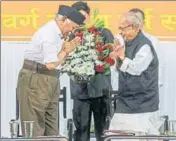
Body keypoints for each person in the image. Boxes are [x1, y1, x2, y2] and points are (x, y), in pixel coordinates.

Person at [16, 5, 85, 137]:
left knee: (51, 127)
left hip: (51, 79)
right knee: (35, 126)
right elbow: (51, 64)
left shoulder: (59, 34)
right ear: (64, 19)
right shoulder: (48, 33)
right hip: (36, 79)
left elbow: (57, 62)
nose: (71, 32)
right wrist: (65, 51)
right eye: (73, 27)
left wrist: (67, 52)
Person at [109, 12, 160, 140]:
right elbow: (118, 69)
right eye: (120, 28)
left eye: (123, 28)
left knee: (138, 136)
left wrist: (121, 56)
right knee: (117, 136)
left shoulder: (145, 45)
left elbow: (136, 69)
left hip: (143, 103)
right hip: (125, 100)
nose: (121, 32)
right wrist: (114, 58)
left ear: (135, 27)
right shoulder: (124, 44)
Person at [70, 2, 114, 141]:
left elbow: (110, 60)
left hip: (100, 90)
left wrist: (95, 63)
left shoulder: (103, 33)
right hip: (80, 91)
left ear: (89, 16)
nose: (80, 21)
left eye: (83, 16)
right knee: (81, 132)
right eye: (76, 17)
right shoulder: (71, 37)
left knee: (103, 132)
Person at [129, 8, 164, 88]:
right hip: (124, 88)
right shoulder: (120, 39)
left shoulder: (152, 41)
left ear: (143, 23)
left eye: (137, 20)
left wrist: (156, 84)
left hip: (145, 87)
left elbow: (159, 64)